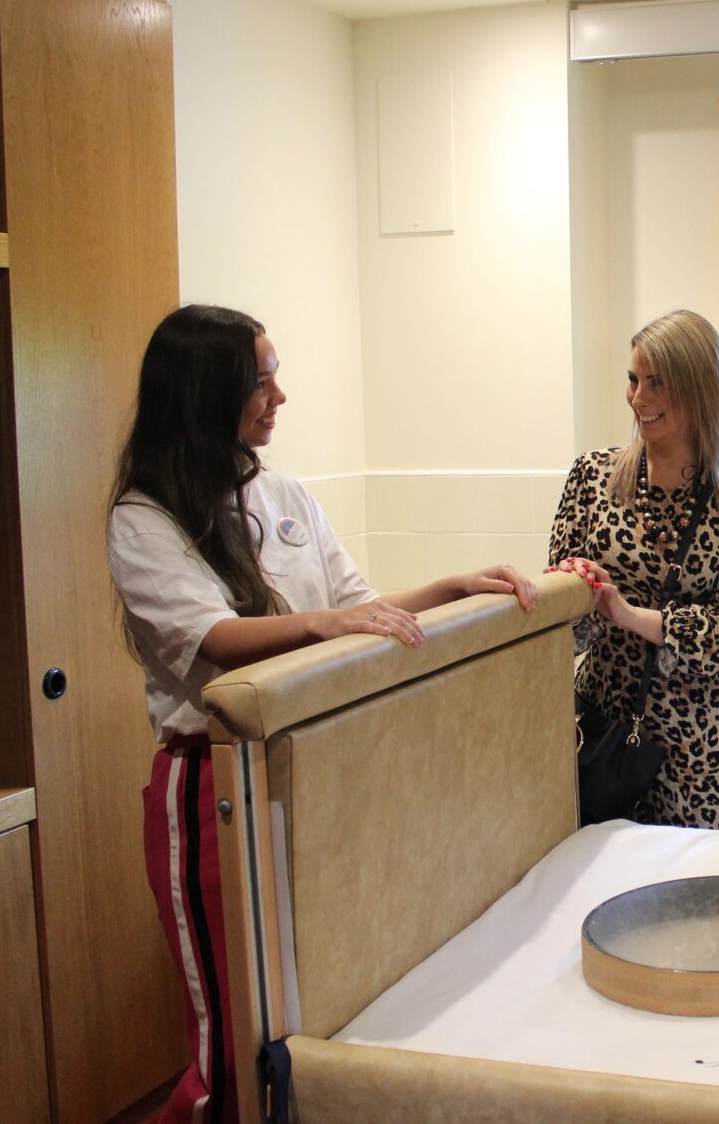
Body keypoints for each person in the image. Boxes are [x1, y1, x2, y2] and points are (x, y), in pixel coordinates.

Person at [108, 304, 535, 1124]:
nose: (279, 394)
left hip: (314, 777)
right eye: (260, 377)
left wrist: (450, 589)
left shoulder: (286, 495)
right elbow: (219, 639)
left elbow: (356, 609)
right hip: (213, 788)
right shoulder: (145, 518)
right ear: (207, 391)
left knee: (309, 1016)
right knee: (232, 1039)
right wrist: (323, 625)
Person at [547, 309, 719, 833]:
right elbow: (566, 630)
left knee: (698, 892)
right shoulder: (591, 476)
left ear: (700, 390)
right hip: (606, 724)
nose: (639, 398)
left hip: (704, 736)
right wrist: (574, 591)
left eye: (657, 383)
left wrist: (625, 612)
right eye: (633, 379)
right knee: (602, 885)